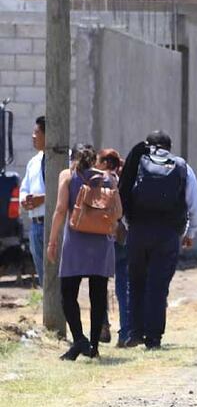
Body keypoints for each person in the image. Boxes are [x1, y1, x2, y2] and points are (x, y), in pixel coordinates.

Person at [118, 131, 197, 350]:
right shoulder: (182, 167)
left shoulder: (137, 162)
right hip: (167, 234)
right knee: (158, 285)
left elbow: (123, 194)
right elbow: (196, 207)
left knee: (135, 282)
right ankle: (153, 338)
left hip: (138, 231)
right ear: (169, 147)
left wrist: (129, 225)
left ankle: (135, 332)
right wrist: (190, 233)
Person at [47, 144, 118, 361]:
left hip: (75, 242)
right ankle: (94, 346)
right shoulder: (108, 178)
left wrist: (52, 242)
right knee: (98, 296)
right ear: (94, 158)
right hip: (101, 243)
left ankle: (79, 340)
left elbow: (61, 210)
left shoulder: (67, 176)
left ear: (73, 158)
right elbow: (118, 211)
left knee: (68, 294)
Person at [97, 149, 130, 346]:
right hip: (122, 237)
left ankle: (102, 327)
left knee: (100, 285)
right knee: (123, 287)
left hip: (103, 238)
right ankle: (126, 332)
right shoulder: (125, 179)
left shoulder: (101, 180)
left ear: (105, 163)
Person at [20, 116, 47, 287]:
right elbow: (24, 188)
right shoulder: (34, 162)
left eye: (37, 132)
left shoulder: (65, 159)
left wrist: (42, 198)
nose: (33, 136)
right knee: (43, 277)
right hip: (36, 226)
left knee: (58, 276)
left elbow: (68, 190)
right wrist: (25, 200)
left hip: (55, 224)